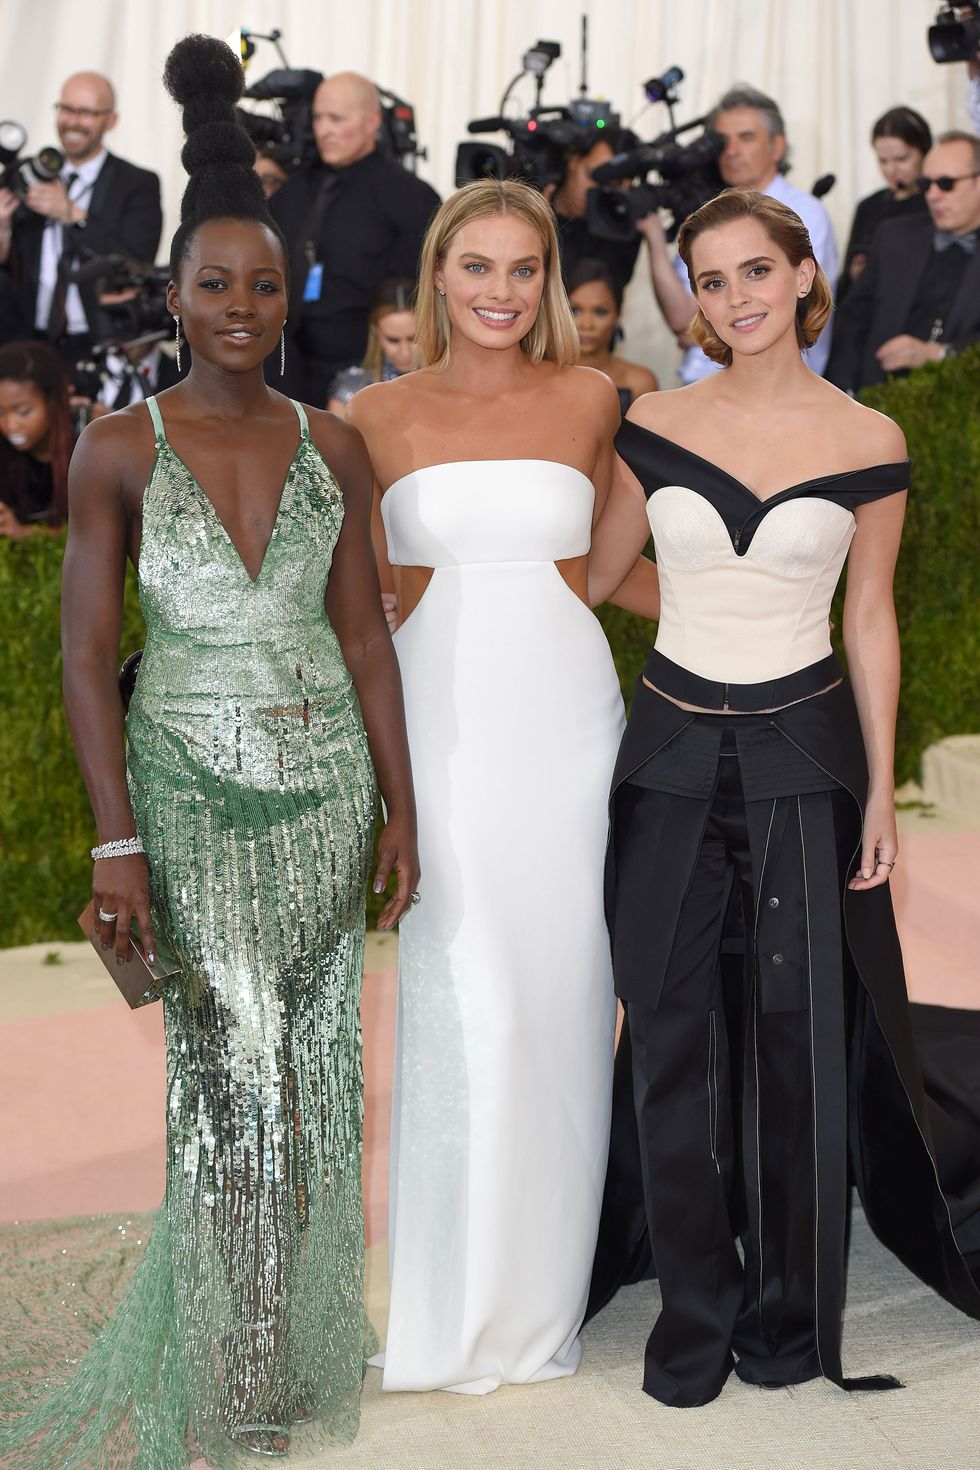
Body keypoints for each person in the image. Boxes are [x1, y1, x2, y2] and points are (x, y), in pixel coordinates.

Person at [0, 34, 418, 1467]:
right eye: (211, 283)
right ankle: (235, 1358)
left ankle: (291, 1341)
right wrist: (115, 838)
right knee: (227, 1073)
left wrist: (400, 811)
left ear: (283, 296)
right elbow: (81, 657)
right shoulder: (115, 445)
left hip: (322, 795)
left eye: (260, 283)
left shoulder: (337, 445)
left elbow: (367, 637)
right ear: (172, 293)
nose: (238, 305)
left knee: (305, 1079)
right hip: (187, 793)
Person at [585, 187, 980, 1407]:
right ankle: (691, 1320)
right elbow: (597, 575)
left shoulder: (866, 439)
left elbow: (869, 620)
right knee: (666, 1036)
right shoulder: (649, 418)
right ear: (691, 299)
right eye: (710, 280)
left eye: (756, 271)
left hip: (807, 760)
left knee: (800, 1042)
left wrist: (880, 800)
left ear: (803, 277)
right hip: (664, 760)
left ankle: (787, 1320)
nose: (736, 298)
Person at [348, 178, 642, 1395]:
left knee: (567, 997)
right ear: (437, 274)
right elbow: (363, 599)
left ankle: (539, 1297)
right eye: (477, 268)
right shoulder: (371, 412)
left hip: (569, 717)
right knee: (465, 997)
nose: (500, 293)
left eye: (524, 270)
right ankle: (449, 1303)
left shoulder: (594, 397)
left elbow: (612, 557)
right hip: (443, 725)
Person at [641, 84, 839, 381]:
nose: (731, 151)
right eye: (723, 141)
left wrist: (708, 326)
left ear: (777, 146)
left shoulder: (805, 212)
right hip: (699, 391)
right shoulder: (707, 218)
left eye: (746, 138)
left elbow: (798, 312)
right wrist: (654, 238)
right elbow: (684, 322)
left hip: (780, 398)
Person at [268, 72, 439, 405]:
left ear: (372, 121)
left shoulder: (410, 197)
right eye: (318, 118)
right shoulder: (293, 190)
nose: (324, 130)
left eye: (337, 119)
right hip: (287, 367)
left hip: (368, 372)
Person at [0, 72, 162, 357]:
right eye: (66, 109)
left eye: (85, 112)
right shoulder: (28, 174)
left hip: (97, 345)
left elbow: (137, 264)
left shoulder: (137, 183)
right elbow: (7, 265)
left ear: (110, 121)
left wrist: (72, 214)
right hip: (24, 340)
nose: (72, 121)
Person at [827, 130, 980, 394]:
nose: (932, 195)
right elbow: (852, 321)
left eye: (945, 184)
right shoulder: (894, 236)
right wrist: (844, 398)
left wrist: (938, 354)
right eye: (925, 185)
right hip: (878, 401)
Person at [838, 107, 932, 301]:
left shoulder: (937, 203)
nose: (891, 170)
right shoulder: (868, 207)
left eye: (901, 159)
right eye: (883, 160)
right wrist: (857, 274)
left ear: (925, 152)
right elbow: (847, 285)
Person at [548, 129, 645, 290]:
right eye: (592, 175)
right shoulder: (530, 206)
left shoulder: (617, 229)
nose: (593, 191)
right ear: (573, 160)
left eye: (609, 184)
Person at [0, 340, 73, 538]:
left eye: (23, 412)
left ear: (52, 401)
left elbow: (99, 537)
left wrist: (26, 533)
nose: (11, 425)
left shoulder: (88, 443)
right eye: (1, 412)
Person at [567, 256, 658, 412]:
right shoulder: (538, 375)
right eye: (575, 311)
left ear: (618, 315)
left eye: (600, 312)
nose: (586, 324)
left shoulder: (640, 383)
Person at [327, 276, 416, 413]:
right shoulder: (350, 391)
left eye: (413, 339)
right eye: (393, 340)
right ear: (376, 332)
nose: (405, 352)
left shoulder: (452, 383)